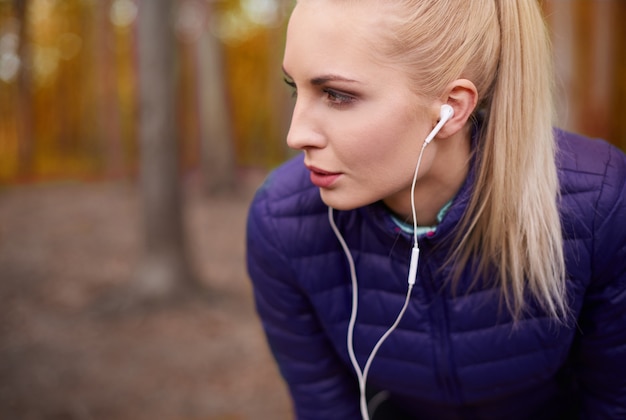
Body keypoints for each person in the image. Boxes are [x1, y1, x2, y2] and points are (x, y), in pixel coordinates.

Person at [246, 0, 626, 419]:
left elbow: (613, 401)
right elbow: (325, 407)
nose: (296, 135)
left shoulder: (597, 205)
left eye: (336, 95)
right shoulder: (282, 224)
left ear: (451, 109)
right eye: (293, 87)